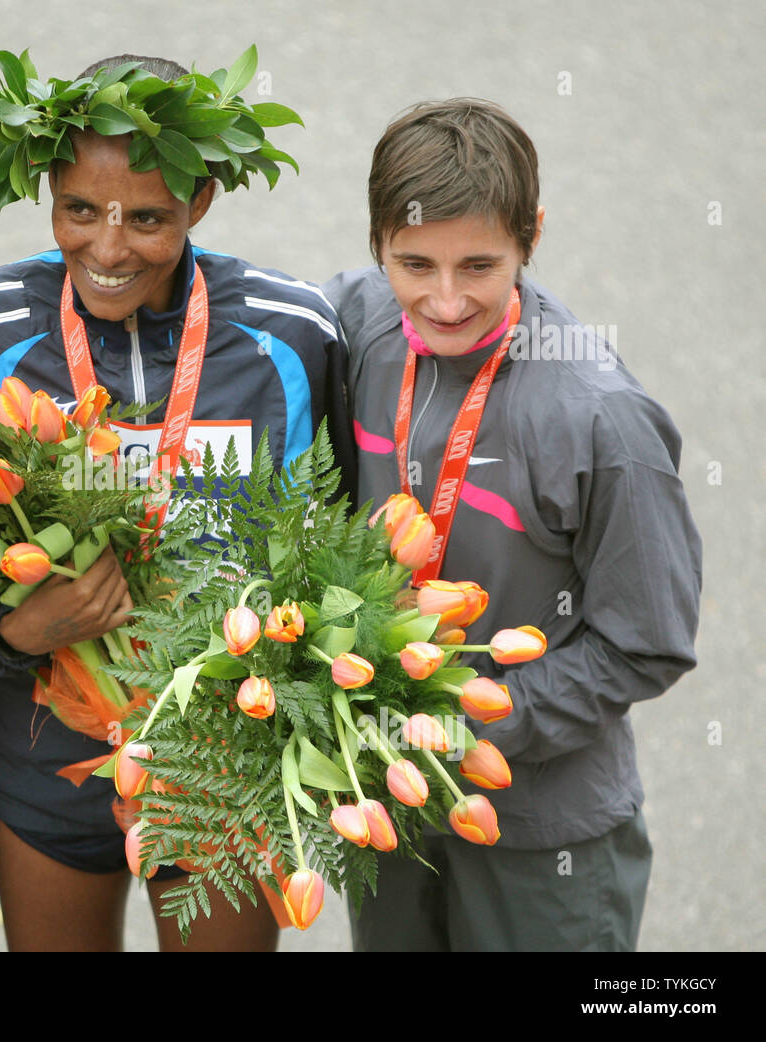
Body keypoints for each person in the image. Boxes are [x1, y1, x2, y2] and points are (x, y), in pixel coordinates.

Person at [0, 54, 356, 951]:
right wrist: (9, 634)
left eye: (150, 218)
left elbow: (341, 551)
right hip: (49, 758)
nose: (110, 247)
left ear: (201, 203)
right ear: (48, 188)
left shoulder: (293, 333)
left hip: (225, 761)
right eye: (80, 210)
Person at [323, 98, 701, 951]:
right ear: (376, 241)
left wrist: (474, 721)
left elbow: (648, 642)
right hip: (390, 796)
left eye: (480, 266)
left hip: (540, 833)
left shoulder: (601, 423)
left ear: (533, 234)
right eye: (413, 262)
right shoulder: (355, 322)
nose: (446, 300)